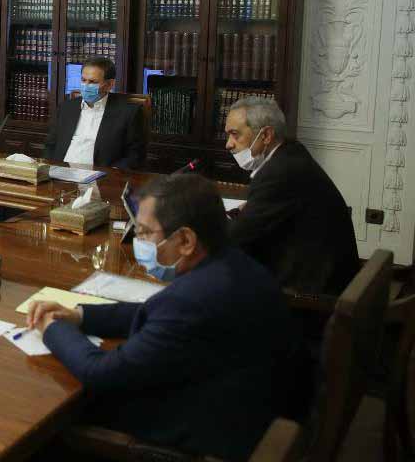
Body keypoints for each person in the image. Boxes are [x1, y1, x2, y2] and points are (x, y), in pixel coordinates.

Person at [28, 174, 297, 461]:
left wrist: (52, 327)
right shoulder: (231, 264)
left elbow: (100, 373)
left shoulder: (190, 301)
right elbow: (152, 311)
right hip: (248, 412)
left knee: (43, 416)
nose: (137, 241)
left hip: (194, 439)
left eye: (144, 232)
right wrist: (80, 315)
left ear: (186, 240)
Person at [224, 96, 360, 297]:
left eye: (235, 134)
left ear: (266, 135)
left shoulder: (280, 173)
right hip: (328, 276)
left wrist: (207, 225)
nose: (228, 144)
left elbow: (235, 238)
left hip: (313, 297)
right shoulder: (291, 152)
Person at [42, 57, 144, 169]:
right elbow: (50, 145)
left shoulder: (128, 113)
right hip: (61, 172)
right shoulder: (66, 108)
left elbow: (135, 155)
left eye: (93, 82)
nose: (86, 86)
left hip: (100, 175)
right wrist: (49, 169)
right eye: (83, 80)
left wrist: (112, 173)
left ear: (110, 84)